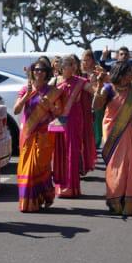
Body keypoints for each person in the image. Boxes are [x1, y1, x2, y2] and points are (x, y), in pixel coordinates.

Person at [93, 60, 132, 216]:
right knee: (114, 165)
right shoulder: (108, 89)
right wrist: (99, 86)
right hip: (112, 131)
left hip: (130, 131)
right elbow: (96, 106)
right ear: (119, 74)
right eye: (128, 73)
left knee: (129, 164)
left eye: (131, 73)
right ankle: (116, 199)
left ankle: (130, 202)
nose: (131, 75)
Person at [14, 60, 63, 212]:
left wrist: (50, 106)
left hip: (44, 134)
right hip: (28, 133)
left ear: (47, 73)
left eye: (42, 70)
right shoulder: (25, 90)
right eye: (36, 69)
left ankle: (45, 196)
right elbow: (16, 110)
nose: (39, 72)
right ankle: (29, 202)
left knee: (40, 167)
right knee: (26, 169)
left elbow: (59, 113)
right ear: (32, 72)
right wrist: (26, 96)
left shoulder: (53, 91)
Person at [51, 55, 96, 198]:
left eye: (73, 64)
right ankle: (60, 187)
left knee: (72, 152)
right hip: (59, 119)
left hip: (74, 119)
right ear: (63, 68)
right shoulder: (56, 81)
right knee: (60, 152)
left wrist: (98, 82)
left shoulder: (80, 82)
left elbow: (94, 91)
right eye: (70, 64)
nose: (74, 67)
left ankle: (72, 187)